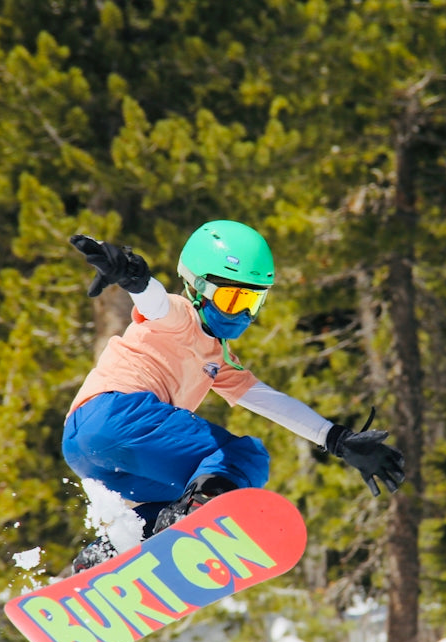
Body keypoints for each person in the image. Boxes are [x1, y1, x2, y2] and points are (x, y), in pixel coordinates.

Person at [61, 219, 405, 573]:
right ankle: (195, 517)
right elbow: (157, 302)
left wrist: (336, 438)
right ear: (197, 287)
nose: (241, 312)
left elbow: (266, 398)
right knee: (246, 458)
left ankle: (111, 553)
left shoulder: (216, 357)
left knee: (172, 497)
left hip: (84, 448)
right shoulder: (182, 316)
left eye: (252, 301)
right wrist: (133, 277)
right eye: (231, 297)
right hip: (120, 416)